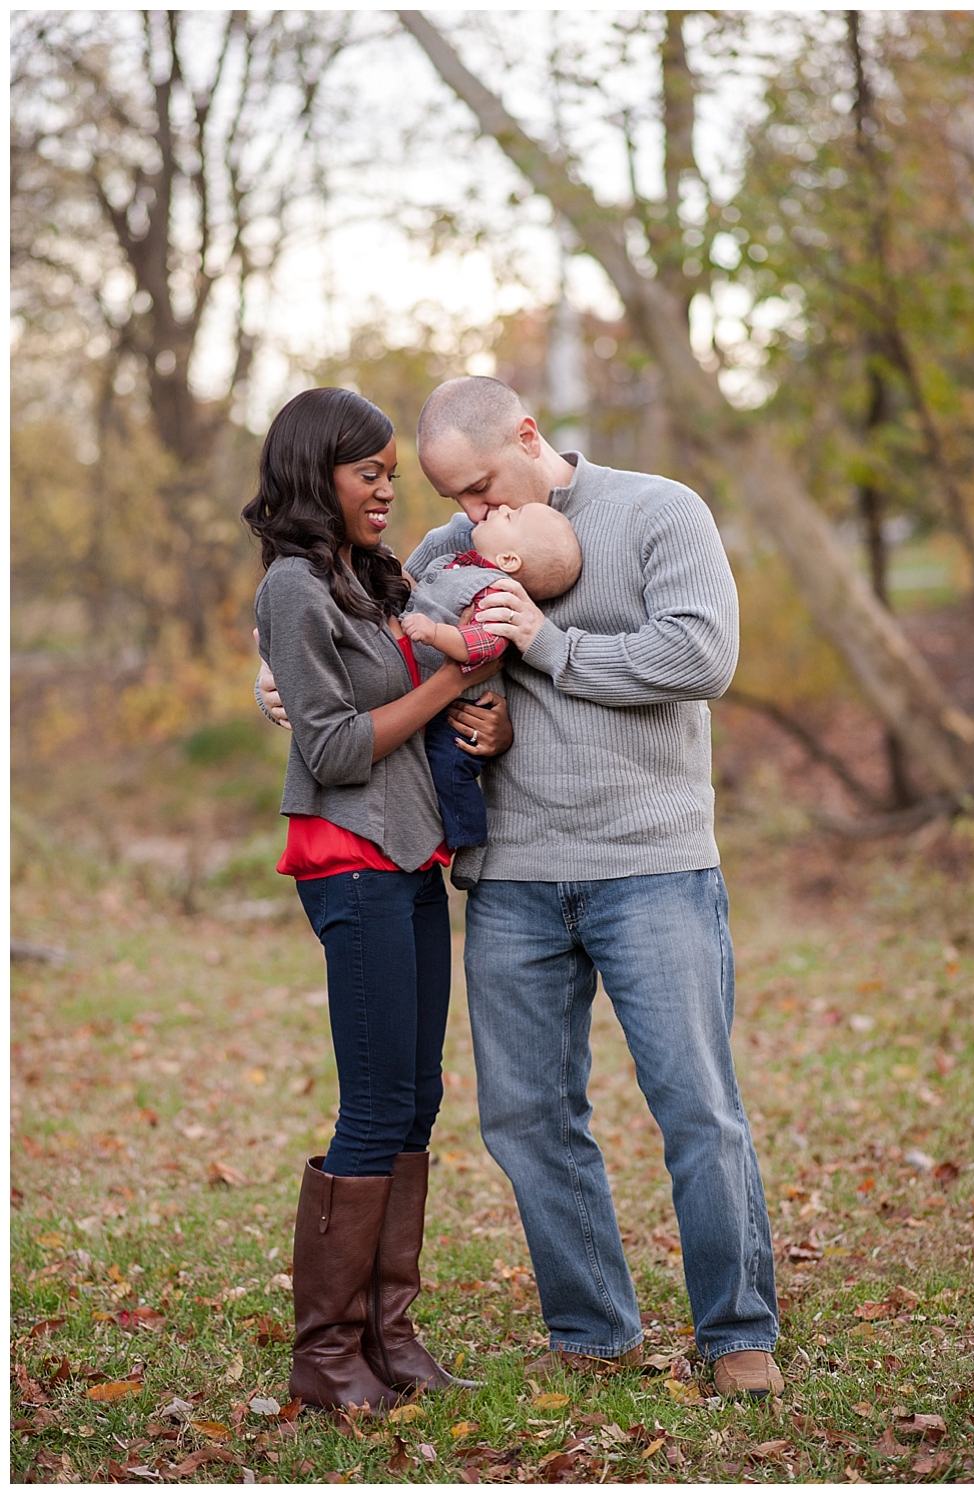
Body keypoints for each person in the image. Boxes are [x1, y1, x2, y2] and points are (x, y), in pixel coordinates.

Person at [259, 376, 784, 1402]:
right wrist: (267, 677)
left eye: (483, 486)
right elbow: (343, 618)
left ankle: (736, 1334)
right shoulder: (445, 554)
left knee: (695, 1109)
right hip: (509, 878)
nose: (471, 517)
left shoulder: (659, 511)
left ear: (529, 436)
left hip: (651, 864)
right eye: (451, 497)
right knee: (528, 1118)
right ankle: (590, 1330)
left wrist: (548, 646)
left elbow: (700, 654)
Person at [244, 386, 511, 1415]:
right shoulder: (294, 592)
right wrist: (447, 683)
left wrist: (473, 702)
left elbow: (408, 689)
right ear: (321, 475)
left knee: (418, 1097)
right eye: (371, 472)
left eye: (393, 473)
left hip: (409, 859)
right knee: (372, 1103)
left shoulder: (365, 581)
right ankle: (325, 1355)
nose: (387, 490)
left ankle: (390, 1337)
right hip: (349, 861)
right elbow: (334, 747)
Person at [401, 501, 582, 848]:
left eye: (511, 516)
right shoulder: (452, 560)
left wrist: (435, 633)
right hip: (425, 693)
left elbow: (484, 644)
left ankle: (469, 843)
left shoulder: (497, 592)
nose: (499, 507)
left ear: (509, 561)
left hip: (465, 708)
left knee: (450, 766)